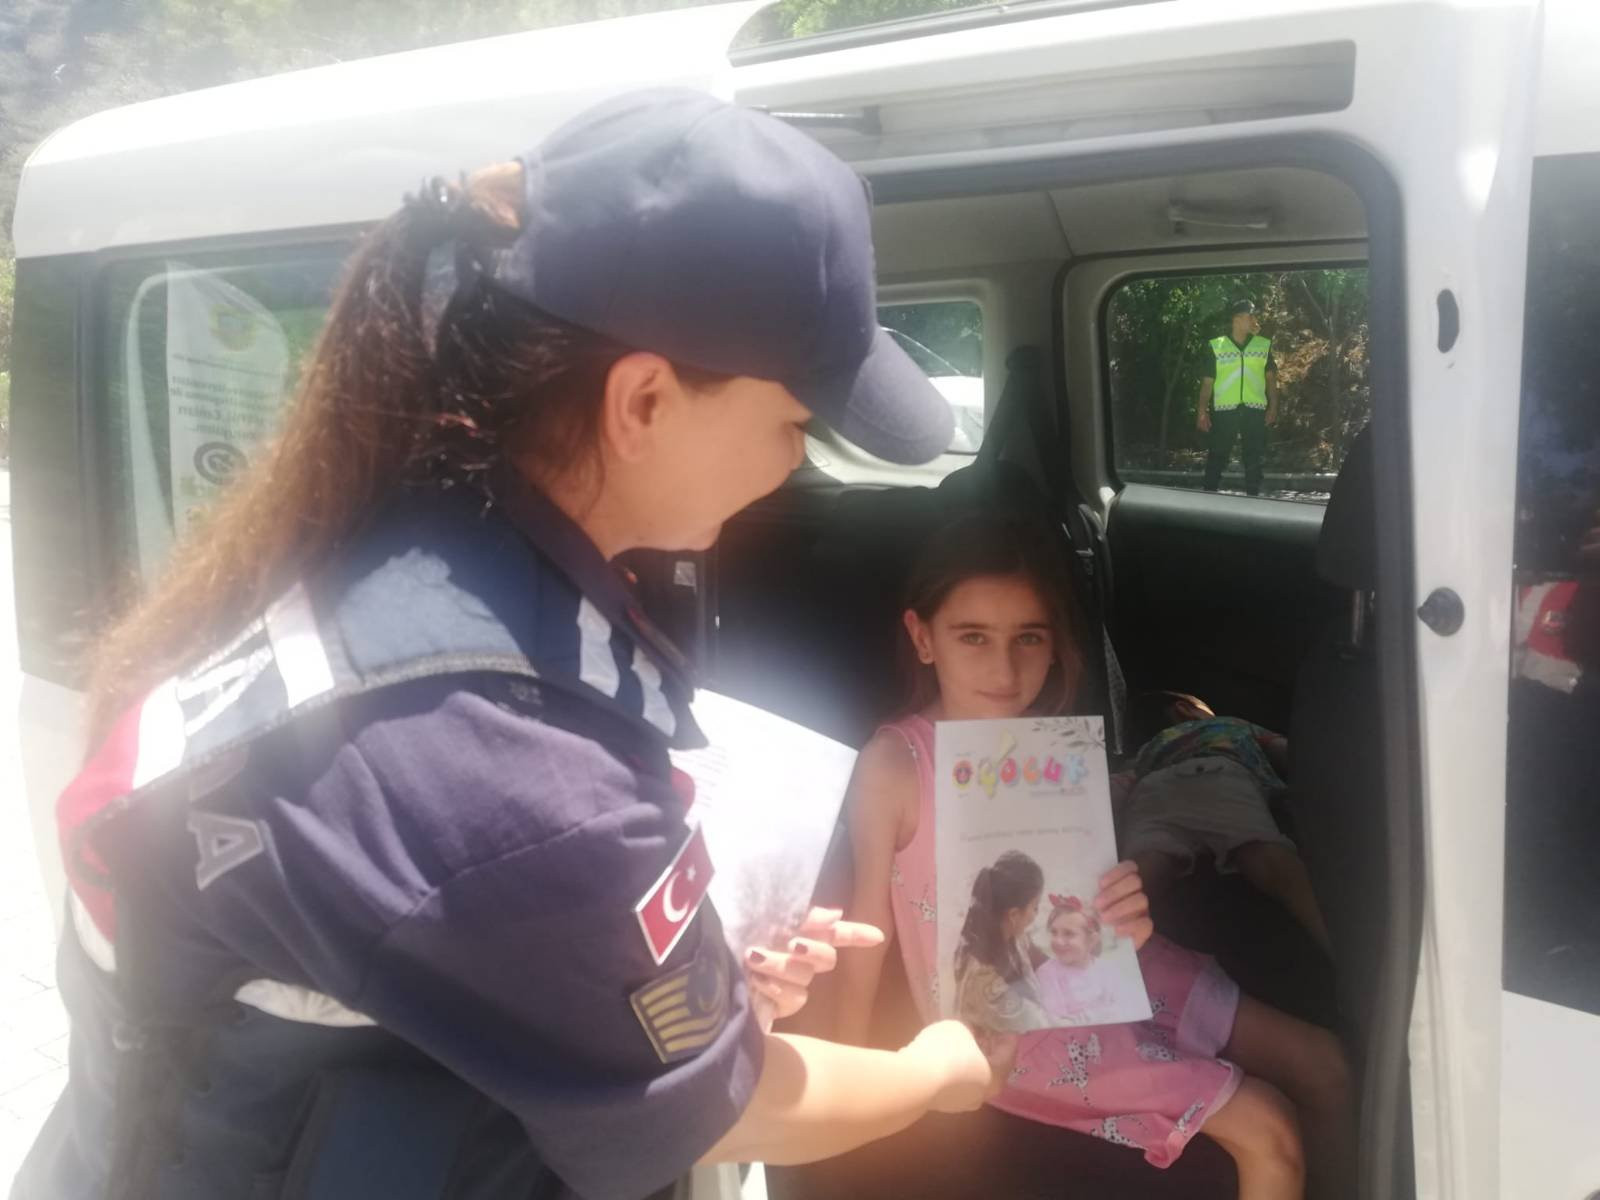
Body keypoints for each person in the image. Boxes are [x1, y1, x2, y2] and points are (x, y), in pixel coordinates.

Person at [16, 91, 1005, 1200]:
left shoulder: (410, 546)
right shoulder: (497, 754)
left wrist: (671, 982)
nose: (793, 465)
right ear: (643, 401)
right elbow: (730, 1109)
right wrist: (935, 1070)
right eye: (794, 424)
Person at [835, 516, 1354, 1200]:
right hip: (1011, 1029)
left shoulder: (1055, 755)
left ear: (1055, 643)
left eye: (1029, 637)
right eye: (973, 637)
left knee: (1326, 1064)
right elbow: (866, 928)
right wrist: (846, 1091)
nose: (1004, 669)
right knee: (1269, 1127)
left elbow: (1084, 900)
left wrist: (1122, 908)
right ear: (923, 637)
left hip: (1107, 969)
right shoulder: (895, 764)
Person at [1122, 691, 1333, 956]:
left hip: (1151, 790)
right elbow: (1290, 753)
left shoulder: (1149, 747)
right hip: (1215, 774)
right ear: (1185, 708)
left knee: (1139, 877)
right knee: (1268, 861)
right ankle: (1349, 950)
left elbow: (1125, 781)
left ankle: (1098, 950)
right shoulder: (1228, 724)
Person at [951, 851, 1052, 1033]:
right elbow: (1038, 1022)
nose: (1035, 915)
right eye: (1035, 907)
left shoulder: (1010, 935)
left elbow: (1039, 958)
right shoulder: (984, 986)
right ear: (1014, 914)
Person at [1198, 299, 1278, 495]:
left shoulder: (1262, 345)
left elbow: (1271, 380)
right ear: (1237, 319)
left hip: (1254, 409)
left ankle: (1253, 497)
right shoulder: (1217, 346)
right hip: (1225, 410)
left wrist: (1273, 407)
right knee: (1217, 454)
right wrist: (1201, 411)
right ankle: (1208, 495)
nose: (1254, 320)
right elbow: (1207, 382)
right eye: (1250, 316)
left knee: (1254, 456)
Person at [1035, 895, 1123, 1024]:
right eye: (1054, 932)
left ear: (1092, 940)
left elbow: (1118, 1008)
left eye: (1068, 933)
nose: (1058, 941)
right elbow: (1057, 1021)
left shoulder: (1106, 970)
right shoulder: (1048, 973)